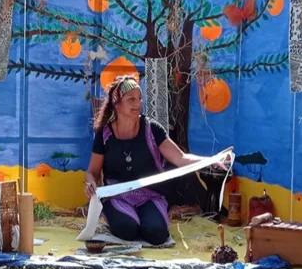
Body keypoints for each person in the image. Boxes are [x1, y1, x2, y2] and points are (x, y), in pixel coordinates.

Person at [84, 75, 231, 245]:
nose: (138, 103)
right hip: (117, 196)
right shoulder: (104, 135)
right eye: (131, 99)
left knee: (156, 234)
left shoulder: (152, 129)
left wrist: (211, 161)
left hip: (150, 194)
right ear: (117, 103)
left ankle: (145, 219)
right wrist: (90, 183)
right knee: (127, 230)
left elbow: (180, 158)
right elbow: (92, 172)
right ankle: (124, 219)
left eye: (139, 98)